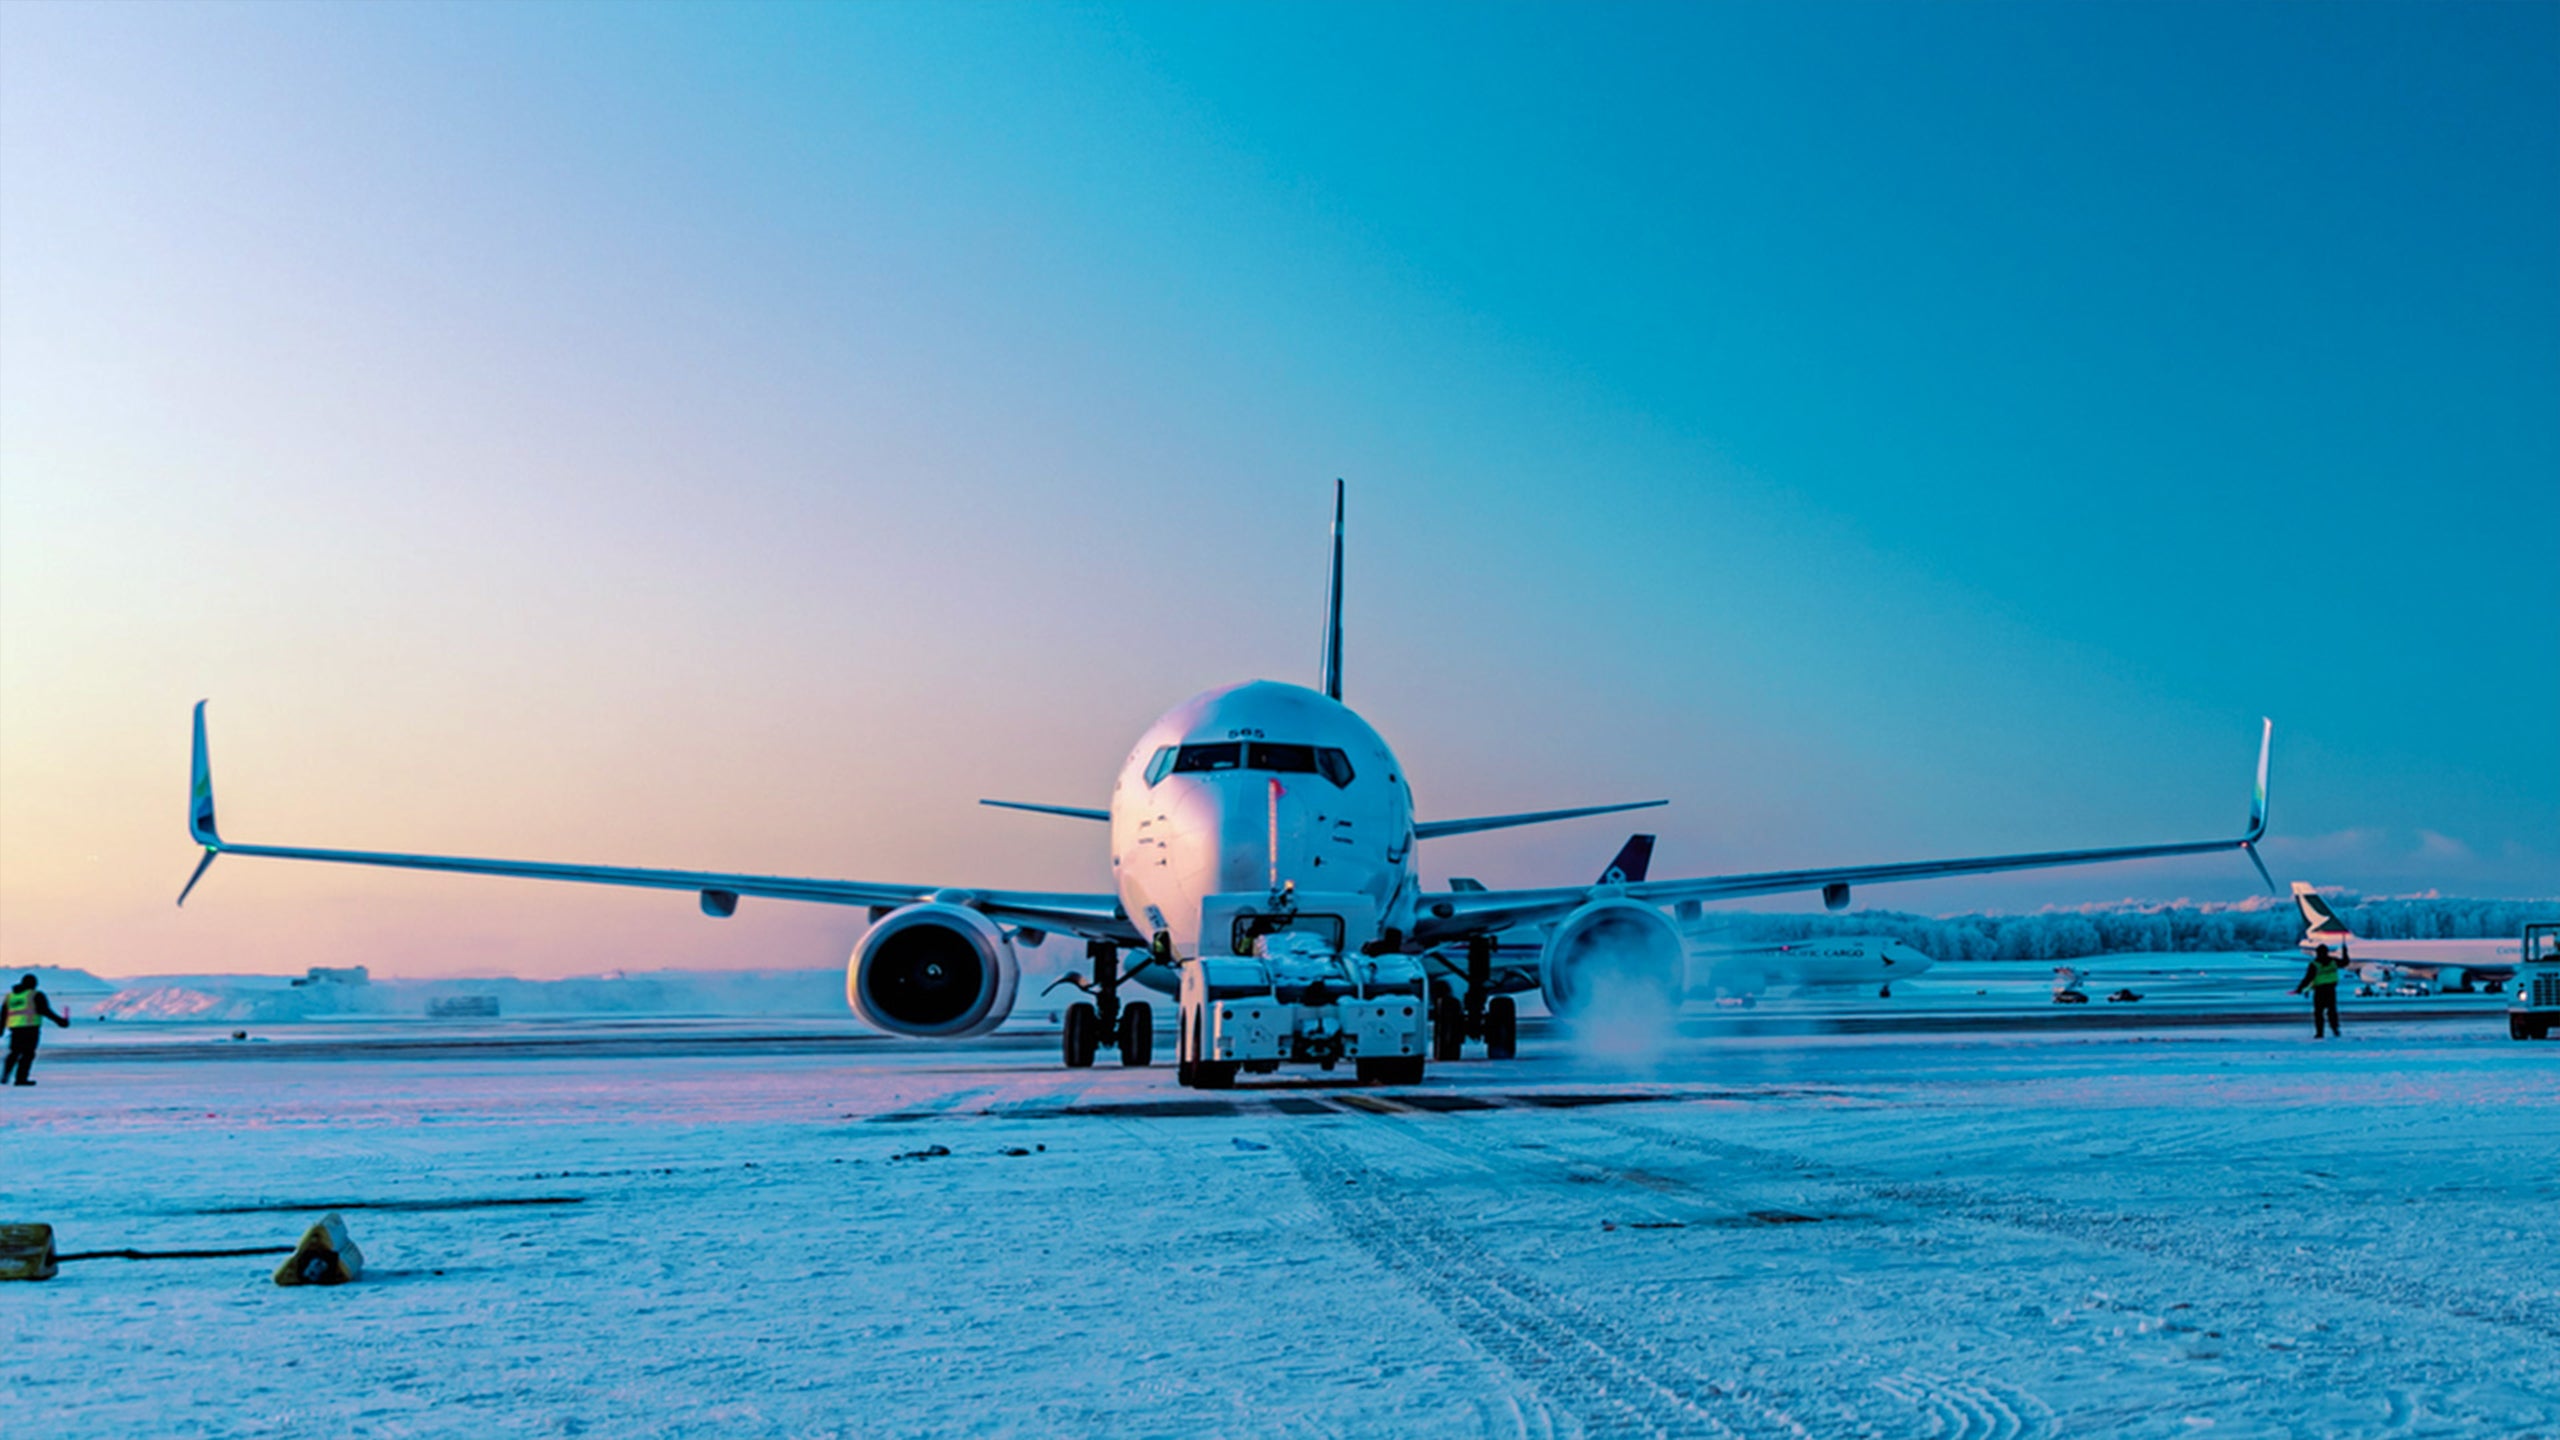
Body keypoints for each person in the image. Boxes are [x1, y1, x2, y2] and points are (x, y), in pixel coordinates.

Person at [3, 974, 71, 1085]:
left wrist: (1, 1029)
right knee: (28, 1054)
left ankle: (5, 1075)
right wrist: (60, 1021)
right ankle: (21, 1079)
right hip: (30, 1028)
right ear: (34, 984)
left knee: (14, 1053)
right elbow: (45, 1010)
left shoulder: (10, 997)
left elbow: (4, 1014)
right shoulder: (35, 995)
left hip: (15, 1029)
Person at [2293, 944, 2344, 1038]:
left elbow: (2308, 978)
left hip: (2320, 991)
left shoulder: (2314, 964)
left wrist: (2300, 989)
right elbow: (2345, 963)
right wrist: (2345, 952)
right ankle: (2335, 1029)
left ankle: (2320, 1033)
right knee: (2332, 1011)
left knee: (2318, 1013)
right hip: (2331, 990)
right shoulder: (2333, 961)